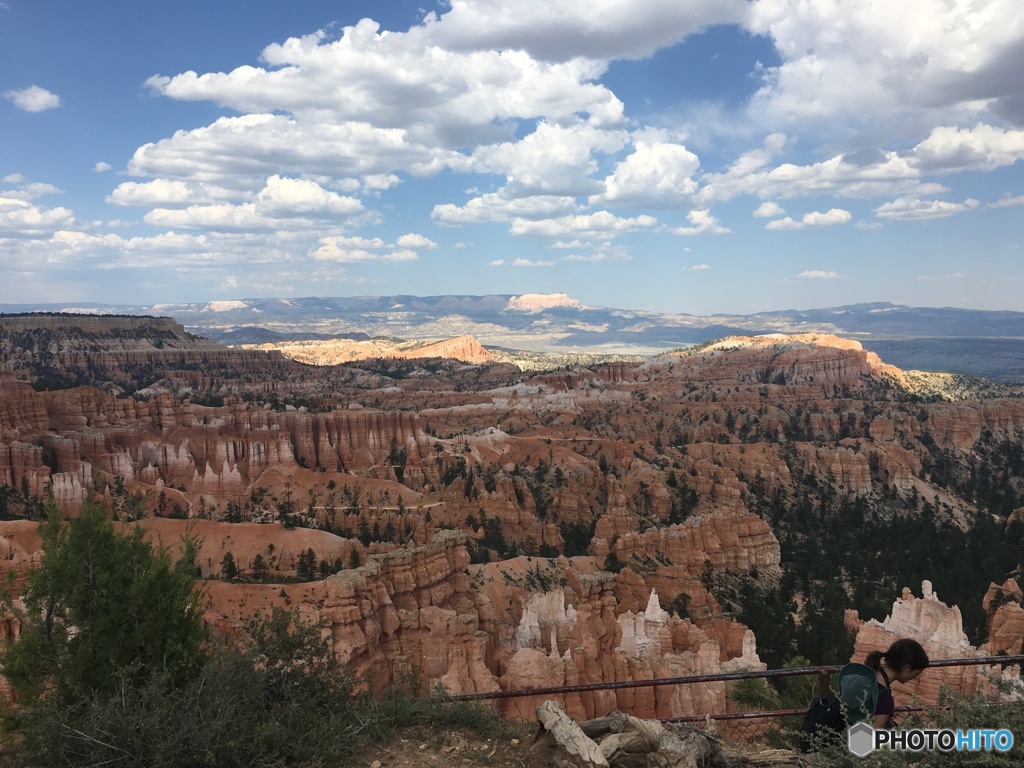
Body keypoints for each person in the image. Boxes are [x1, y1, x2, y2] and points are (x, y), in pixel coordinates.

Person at [864, 639, 930, 728]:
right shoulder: (884, 699)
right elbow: (871, 737)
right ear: (906, 668)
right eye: (916, 673)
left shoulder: (867, 675)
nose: (915, 678)